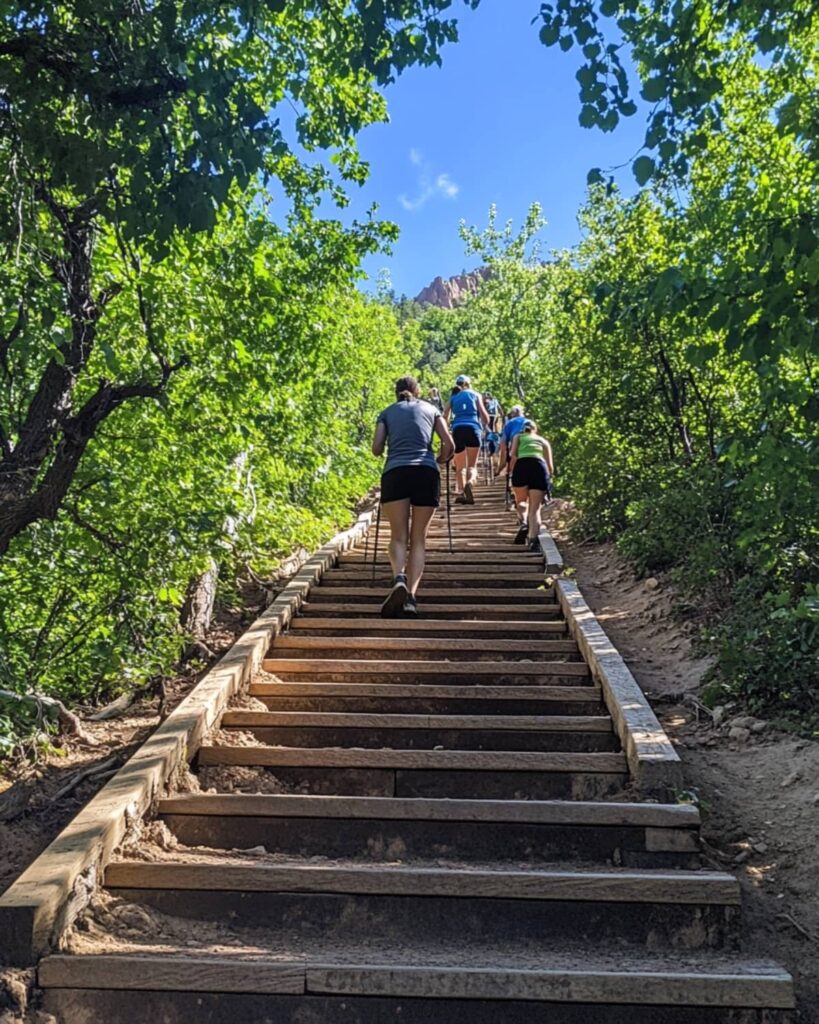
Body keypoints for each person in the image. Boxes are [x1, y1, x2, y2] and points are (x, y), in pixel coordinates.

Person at [372, 375, 454, 617]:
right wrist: (439, 459)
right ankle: (410, 598)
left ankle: (399, 577)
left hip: (396, 472)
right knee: (418, 539)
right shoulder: (432, 409)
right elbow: (449, 444)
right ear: (417, 391)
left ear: (396, 392)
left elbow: (376, 449)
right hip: (426, 472)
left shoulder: (386, 412)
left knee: (398, 537)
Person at [443, 374, 490, 504]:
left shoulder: (453, 397)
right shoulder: (476, 395)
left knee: (460, 467)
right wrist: (485, 424)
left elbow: (445, 415)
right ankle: (471, 481)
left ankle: (463, 492)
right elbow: (485, 418)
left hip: (458, 429)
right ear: (469, 384)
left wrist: (447, 429)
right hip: (473, 428)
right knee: (472, 466)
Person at [509, 420, 554, 552]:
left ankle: (523, 522)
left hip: (522, 467)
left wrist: (510, 470)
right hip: (539, 468)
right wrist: (549, 478)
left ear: (523, 430)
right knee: (535, 509)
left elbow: (513, 454)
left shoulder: (518, 437)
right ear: (536, 429)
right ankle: (533, 540)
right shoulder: (543, 441)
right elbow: (550, 466)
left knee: (521, 501)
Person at [497, 405, 529, 540]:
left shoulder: (509, 424)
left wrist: (502, 466)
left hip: (515, 455)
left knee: (518, 486)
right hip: (532, 456)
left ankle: (522, 517)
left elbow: (503, 446)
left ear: (512, 414)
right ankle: (528, 519)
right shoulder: (529, 422)